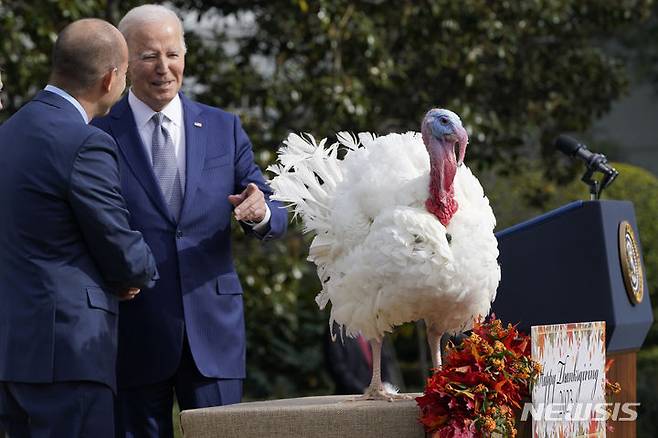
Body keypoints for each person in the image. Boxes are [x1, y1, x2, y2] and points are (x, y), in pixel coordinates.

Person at [92, 4, 287, 436]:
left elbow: (271, 205)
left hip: (214, 330)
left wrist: (261, 212)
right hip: (133, 331)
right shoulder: (99, 132)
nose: (164, 68)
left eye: (173, 54)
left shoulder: (223, 127)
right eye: (148, 57)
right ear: (123, 63)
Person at [0, 19, 158, 438]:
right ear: (111, 78)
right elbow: (120, 246)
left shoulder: (8, 132)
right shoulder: (85, 142)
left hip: (12, 351)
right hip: (69, 354)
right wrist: (132, 273)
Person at [324, 322, 404, 395]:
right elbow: (338, 367)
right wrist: (362, 389)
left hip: (378, 392)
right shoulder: (337, 330)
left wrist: (386, 384)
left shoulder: (373, 327)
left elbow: (385, 359)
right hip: (350, 394)